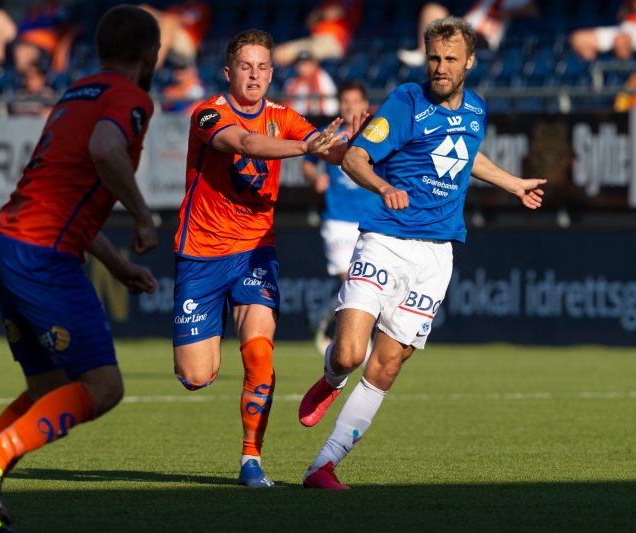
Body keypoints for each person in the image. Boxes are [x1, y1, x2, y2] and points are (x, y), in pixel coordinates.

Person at [0, 6, 161, 531]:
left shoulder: (77, 92)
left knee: (48, 388)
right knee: (104, 387)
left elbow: (67, 190)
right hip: (41, 256)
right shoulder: (130, 99)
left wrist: (116, 263)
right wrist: (145, 217)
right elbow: (106, 150)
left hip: (7, 244)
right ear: (152, 55)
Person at [298, 16, 546, 489]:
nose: (440, 67)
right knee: (351, 354)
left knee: (386, 364)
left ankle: (322, 466)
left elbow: (466, 154)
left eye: (451, 59)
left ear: (470, 61)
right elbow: (354, 157)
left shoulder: (476, 109)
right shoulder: (406, 101)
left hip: (436, 258)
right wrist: (383, 186)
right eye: (434, 57)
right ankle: (331, 378)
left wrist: (514, 184)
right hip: (386, 239)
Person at [172, 28, 351, 488]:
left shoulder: (284, 116)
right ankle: (208, 354)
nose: (254, 75)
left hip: (255, 251)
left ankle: (251, 459)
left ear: (272, 73)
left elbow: (332, 151)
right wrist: (305, 148)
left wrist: (373, 161)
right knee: (196, 376)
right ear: (229, 72)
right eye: (246, 67)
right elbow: (247, 145)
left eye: (263, 67)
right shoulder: (208, 113)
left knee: (258, 351)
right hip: (201, 255)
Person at [301, 80, 373, 355]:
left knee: (365, 284)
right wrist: (314, 178)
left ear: (365, 105)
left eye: (355, 102)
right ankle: (360, 341)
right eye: (346, 103)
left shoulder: (376, 135)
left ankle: (323, 314)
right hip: (338, 221)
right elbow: (307, 162)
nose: (351, 107)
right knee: (352, 281)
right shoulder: (330, 134)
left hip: (370, 222)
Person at [397, 0, 539, 67]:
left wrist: (507, 13)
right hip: (462, 31)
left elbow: (533, 11)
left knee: (464, 35)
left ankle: (461, 56)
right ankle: (425, 53)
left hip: (484, 41)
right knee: (432, 9)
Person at [0, 0, 80, 73]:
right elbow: (22, 26)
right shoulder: (37, 9)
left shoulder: (61, 10)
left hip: (41, 46)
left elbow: (66, 31)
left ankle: (21, 82)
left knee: (22, 51)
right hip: (21, 38)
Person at [273, 0, 363, 67]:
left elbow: (334, 12)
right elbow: (310, 22)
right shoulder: (327, 2)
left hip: (334, 42)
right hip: (316, 40)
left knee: (303, 61)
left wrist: (319, 14)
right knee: (278, 52)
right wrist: (320, 14)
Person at [140, 0, 212, 68]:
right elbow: (164, 20)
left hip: (189, 47)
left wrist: (156, 13)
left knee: (170, 21)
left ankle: (154, 66)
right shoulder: (175, 7)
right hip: (170, 46)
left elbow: (178, 20)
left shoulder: (202, 8)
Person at [569, 0, 636, 61]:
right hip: (623, 27)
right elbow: (621, 15)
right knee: (579, 39)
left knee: (621, 40)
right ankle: (595, 70)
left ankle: (626, 70)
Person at [283, 50, 339, 117]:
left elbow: (330, 107)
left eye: (305, 63)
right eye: (300, 64)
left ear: (313, 64)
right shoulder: (292, 81)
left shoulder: (322, 77)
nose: (302, 67)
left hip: (321, 118)